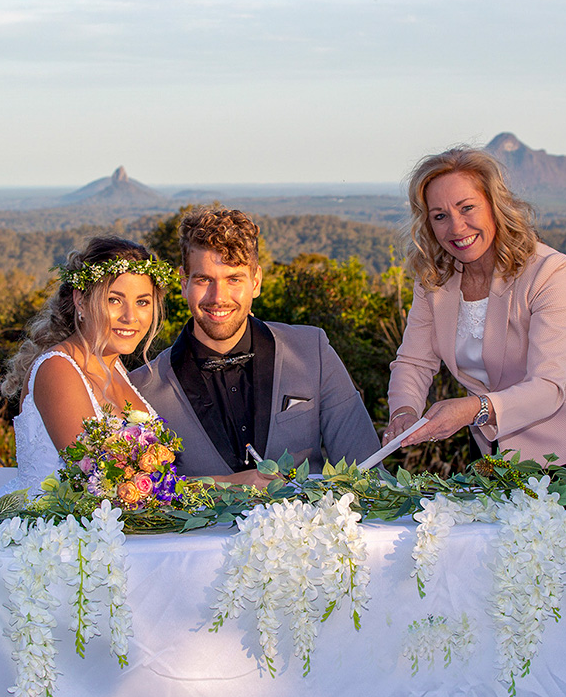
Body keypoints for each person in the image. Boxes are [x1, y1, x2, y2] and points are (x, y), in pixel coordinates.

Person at [381, 147, 566, 477]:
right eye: (440, 216)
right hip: (490, 444)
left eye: (467, 208)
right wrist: (403, 411)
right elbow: (415, 361)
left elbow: (548, 386)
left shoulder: (550, 272)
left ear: (494, 205)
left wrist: (472, 409)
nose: (456, 227)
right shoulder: (433, 280)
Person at [130, 207, 380, 487]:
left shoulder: (313, 351)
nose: (218, 297)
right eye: (204, 280)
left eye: (234, 279)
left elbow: (368, 471)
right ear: (183, 282)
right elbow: (144, 499)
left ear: (256, 281)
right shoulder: (142, 388)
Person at [0, 236, 175, 497]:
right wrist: (219, 483)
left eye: (142, 302)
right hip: (56, 531)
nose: (130, 316)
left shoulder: (117, 370)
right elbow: (98, 482)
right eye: (114, 300)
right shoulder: (58, 371)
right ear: (81, 301)